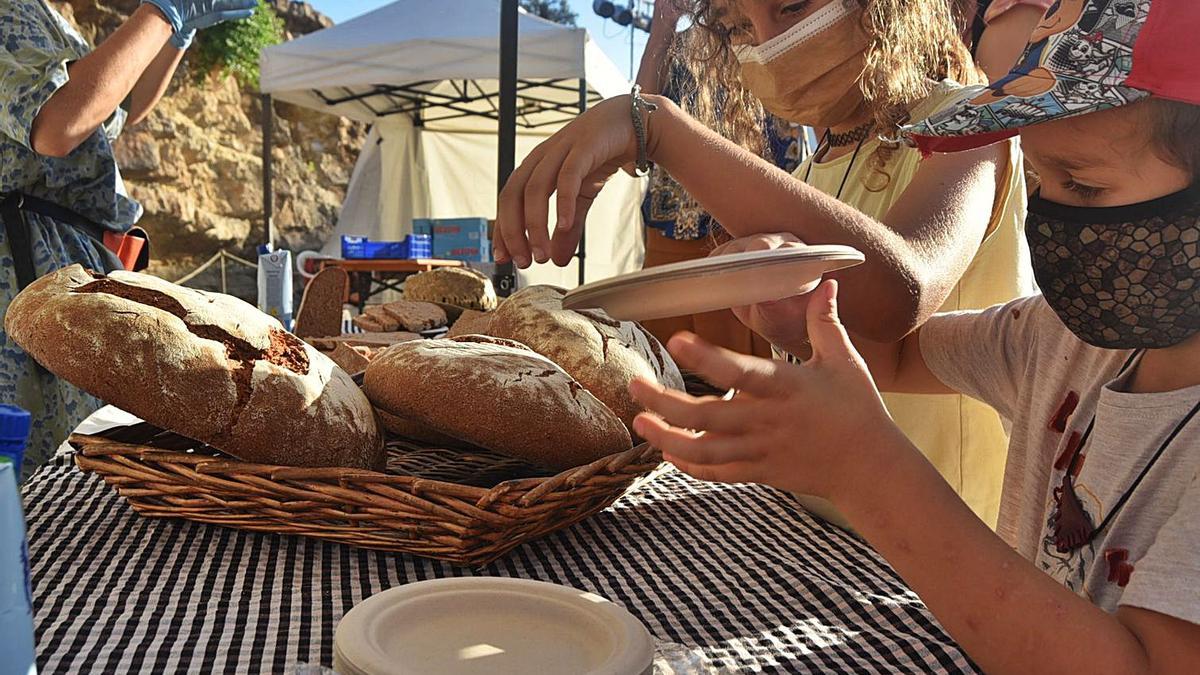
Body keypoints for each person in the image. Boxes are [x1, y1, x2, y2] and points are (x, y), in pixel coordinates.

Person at [628, 0, 1200, 670]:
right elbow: (898, 356)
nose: (1047, 215)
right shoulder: (1056, 341)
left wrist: (863, 467)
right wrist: (798, 313)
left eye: (1083, 185)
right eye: (1041, 180)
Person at [496, 0, 1031, 528]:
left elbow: (899, 295)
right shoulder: (805, 176)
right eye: (738, 28)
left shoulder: (969, 124)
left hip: (956, 534)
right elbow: (866, 363)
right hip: (829, 526)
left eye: (791, 8)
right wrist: (787, 326)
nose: (768, 44)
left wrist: (659, 129)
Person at [0, 0, 256, 477]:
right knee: (39, 476)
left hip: (56, 260)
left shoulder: (47, 15)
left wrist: (175, 36)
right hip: (21, 273)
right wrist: (163, 11)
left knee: (73, 467)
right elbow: (56, 128)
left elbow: (122, 107)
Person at [636, 0, 809, 357]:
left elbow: (816, 114)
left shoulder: (774, 28)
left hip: (756, 232)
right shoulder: (676, 44)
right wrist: (663, 23)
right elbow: (635, 134)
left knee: (755, 380)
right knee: (659, 372)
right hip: (673, 233)